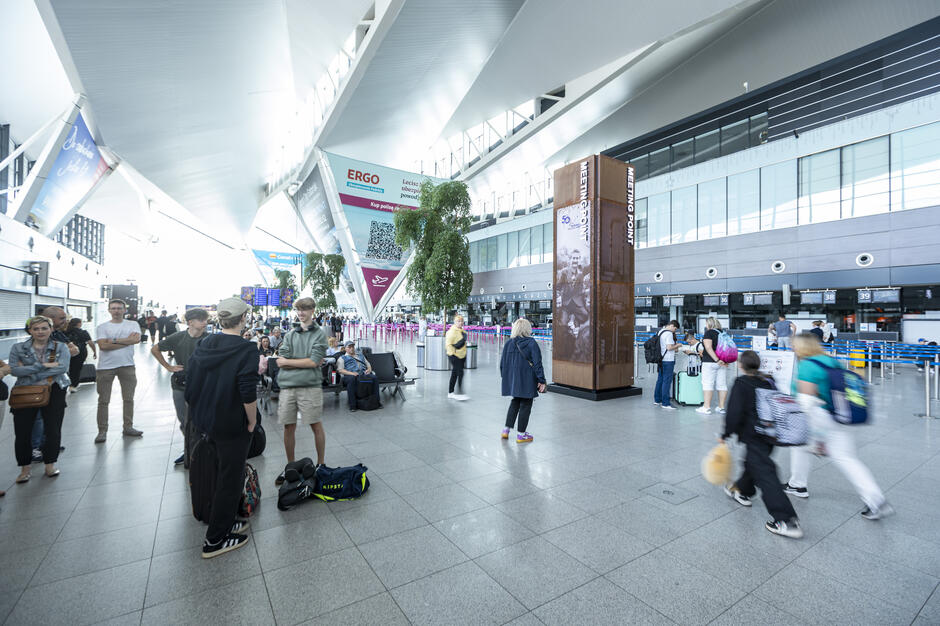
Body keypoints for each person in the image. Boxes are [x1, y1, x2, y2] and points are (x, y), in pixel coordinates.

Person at [784, 332, 893, 520]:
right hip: (841, 415)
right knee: (846, 458)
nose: (792, 347)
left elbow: (806, 401)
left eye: (794, 345)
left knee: (802, 445)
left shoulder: (808, 366)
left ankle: (798, 484)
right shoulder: (831, 361)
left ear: (802, 347)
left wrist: (816, 435)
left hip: (820, 417)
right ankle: (876, 500)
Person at [184, 298, 258, 558]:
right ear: (243, 319)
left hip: (204, 420)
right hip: (231, 423)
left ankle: (223, 521)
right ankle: (215, 540)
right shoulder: (247, 349)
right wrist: (252, 420)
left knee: (216, 473)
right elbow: (247, 392)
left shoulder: (205, 343)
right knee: (230, 478)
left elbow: (190, 382)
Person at [721, 350, 803, 538]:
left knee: (766, 474)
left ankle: (786, 519)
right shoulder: (768, 381)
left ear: (740, 365)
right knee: (754, 463)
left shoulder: (741, 383)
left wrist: (726, 434)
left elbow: (734, 413)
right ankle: (742, 490)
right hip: (771, 435)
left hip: (754, 434)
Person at [8, 316, 70, 483]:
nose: (40, 332)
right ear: (30, 330)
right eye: (36, 329)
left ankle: (50, 465)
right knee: (22, 432)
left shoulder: (61, 347)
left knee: (53, 430)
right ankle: (25, 469)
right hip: (25, 391)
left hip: (54, 390)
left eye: (44, 328)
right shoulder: (18, 347)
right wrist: (45, 366)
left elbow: (63, 367)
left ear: (50, 329)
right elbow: (14, 370)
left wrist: (29, 369)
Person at [274, 297, 328, 486]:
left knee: (315, 425)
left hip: (310, 386)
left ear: (313, 310)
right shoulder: (290, 334)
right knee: (288, 426)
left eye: (305, 309)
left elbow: (313, 362)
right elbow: (281, 358)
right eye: (298, 309)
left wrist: (290, 362)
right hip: (288, 387)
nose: (301, 313)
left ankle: (321, 464)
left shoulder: (319, 335)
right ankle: (290, 466)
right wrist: (301, 362)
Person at [151, 308, 209, 465]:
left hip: (202, 385)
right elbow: (155, 349)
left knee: (201, 420)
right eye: (201, 319)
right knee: (184, 420)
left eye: (205, 319)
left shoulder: (209, 339)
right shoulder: (178, 337)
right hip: (180, 384)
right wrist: (168, 367)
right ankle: (190, 449)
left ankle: (200, 451)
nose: (205, 322)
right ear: (190, 322)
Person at [95, 299, 143, 442]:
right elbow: (103, 346)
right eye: (113, 308)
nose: (116, 311)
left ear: (124, 310)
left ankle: (128, 426)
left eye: (119, 308)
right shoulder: (102, 327)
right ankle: (102, 431)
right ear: (109, 310)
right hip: (105, 368)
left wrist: (112, 341)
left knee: (128, 399)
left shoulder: (133, 324)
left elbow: (135, 340)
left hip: (127, 366)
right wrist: (125, 340)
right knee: (103, 400)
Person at [499, 318, 546, 444]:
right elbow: (537, 364)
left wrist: (506, 378)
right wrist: (542, 380)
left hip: (513, 379)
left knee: (515, 401)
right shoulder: (531, 343)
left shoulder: (509, 343)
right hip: (527, 379)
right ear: (527, 329)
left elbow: (502, 364)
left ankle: (506, 430)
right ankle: (521, 435)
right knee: (526, 404)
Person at [336, 341, 381, 413]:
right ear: (345, 348)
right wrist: (351, 373)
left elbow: (368, 364)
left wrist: (369, 369)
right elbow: (340, 370)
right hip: (349, 376)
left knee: (374, 378)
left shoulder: (360, 355)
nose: (351, 348)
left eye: (352, 347)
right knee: (352, 379)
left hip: (362, 374)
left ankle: (377, 402)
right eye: (349, 347)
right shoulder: (342, 358)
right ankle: (353, 405)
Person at [700, 317, 729, 415]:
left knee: (707, 383)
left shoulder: (709, 332)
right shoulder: (723, 333)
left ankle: (706, 407)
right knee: (722, 384)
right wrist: (724, 360)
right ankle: (721, 407)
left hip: (710, 362)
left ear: (709, 324)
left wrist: (717, 360)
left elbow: (708, 347)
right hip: (723, 362)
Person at [653, 320, 681, 410]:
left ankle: (657, 400)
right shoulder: (668, 334)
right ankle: (665, 403)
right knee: (667, 381)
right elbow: (669, 347)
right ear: (672, 325)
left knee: (660, 380)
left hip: (661, 359)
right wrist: (678, 345)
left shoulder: (660, 331)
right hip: (668, 360)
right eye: (675, 328)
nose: (674, 331)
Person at [65, 318, 97, 392]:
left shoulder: (65, 332)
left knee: (69, 367)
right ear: (79, 323)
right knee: (76, 368)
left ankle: (67, 383)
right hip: (81, 352)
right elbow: (90, 343)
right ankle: (73, 385)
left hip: (67, 351)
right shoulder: (83, 332)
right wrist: (94, 352)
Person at [445, 315, 469, 401]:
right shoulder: (452, 332)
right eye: (458, 321)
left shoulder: (462, 331)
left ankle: (450, 393)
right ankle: (460, 393)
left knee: (455, 373)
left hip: (461, 355)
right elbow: (448, 344)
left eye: (462, 321)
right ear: (455, 322)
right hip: (454, 356)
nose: (460, 322)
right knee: (460, 373)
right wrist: (453, 353)